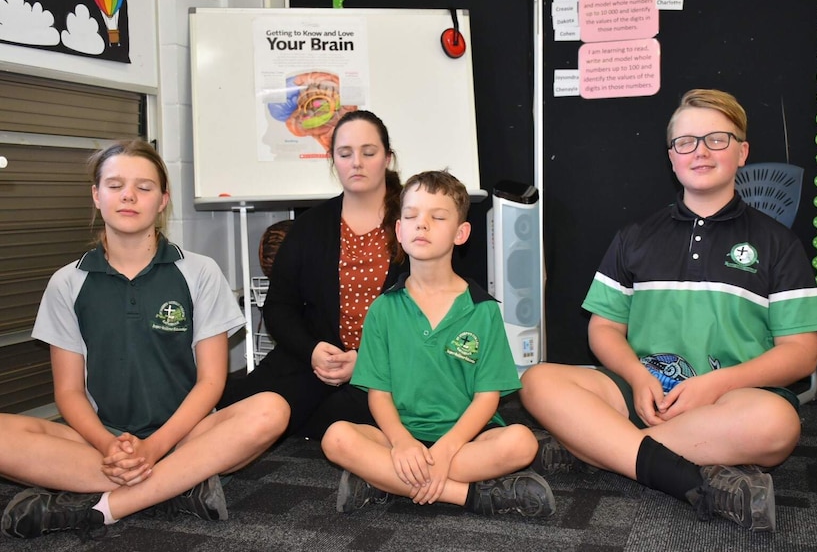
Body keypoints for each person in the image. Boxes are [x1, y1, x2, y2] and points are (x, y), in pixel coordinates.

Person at [520, 89, 817, 532]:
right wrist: (637, 376)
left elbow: (801, 351)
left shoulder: (779, 244)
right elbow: (604, 328)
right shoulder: (635, 236)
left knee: (778, 424)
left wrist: (716, 385)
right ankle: (684, 475)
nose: (700, 151)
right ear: (672, 158)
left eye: (717, 139)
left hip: (728, 399)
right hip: (642, 392)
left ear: (742, 152)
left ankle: (592, 447)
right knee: (537, 381)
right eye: (686, 142)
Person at [0, 140, 290, 540]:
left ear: (163, 200)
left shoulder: (200, 272)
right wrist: (108, 445)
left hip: (187, 437)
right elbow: (68, 392)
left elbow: (211, 381)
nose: (129, 196)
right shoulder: (67, 282)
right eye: (115, 185)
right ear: (96, 196)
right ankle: (177, 485)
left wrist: (153, 449)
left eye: (144, 187)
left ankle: (104, 506)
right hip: (98, 443)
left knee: (271, 410)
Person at [321, 170, 555, 518]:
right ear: (399, 231)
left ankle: (384, 480)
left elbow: (487, 398)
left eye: (438, 216)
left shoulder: (483, 310)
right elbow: (379, 394)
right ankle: (469, 495)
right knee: (336, 438)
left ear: (461, 233)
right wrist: (401, 442)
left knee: (521, 442)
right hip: (401, 436)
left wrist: (446, 449)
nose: (422, 225)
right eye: (412, 216)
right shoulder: (383, 308)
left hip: (466, 439)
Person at [217, 110, 408, 440]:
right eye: (345, 154)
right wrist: (312, 350)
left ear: (388, 158)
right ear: (333, 160)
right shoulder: (311, 226)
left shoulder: (413, 222)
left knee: (347, 418)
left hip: (393, 366)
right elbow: (279, 306)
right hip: (318, 359)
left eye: (369, 152)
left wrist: (364, 362)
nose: (357, 163)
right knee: (243, 408)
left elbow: (432, 312)